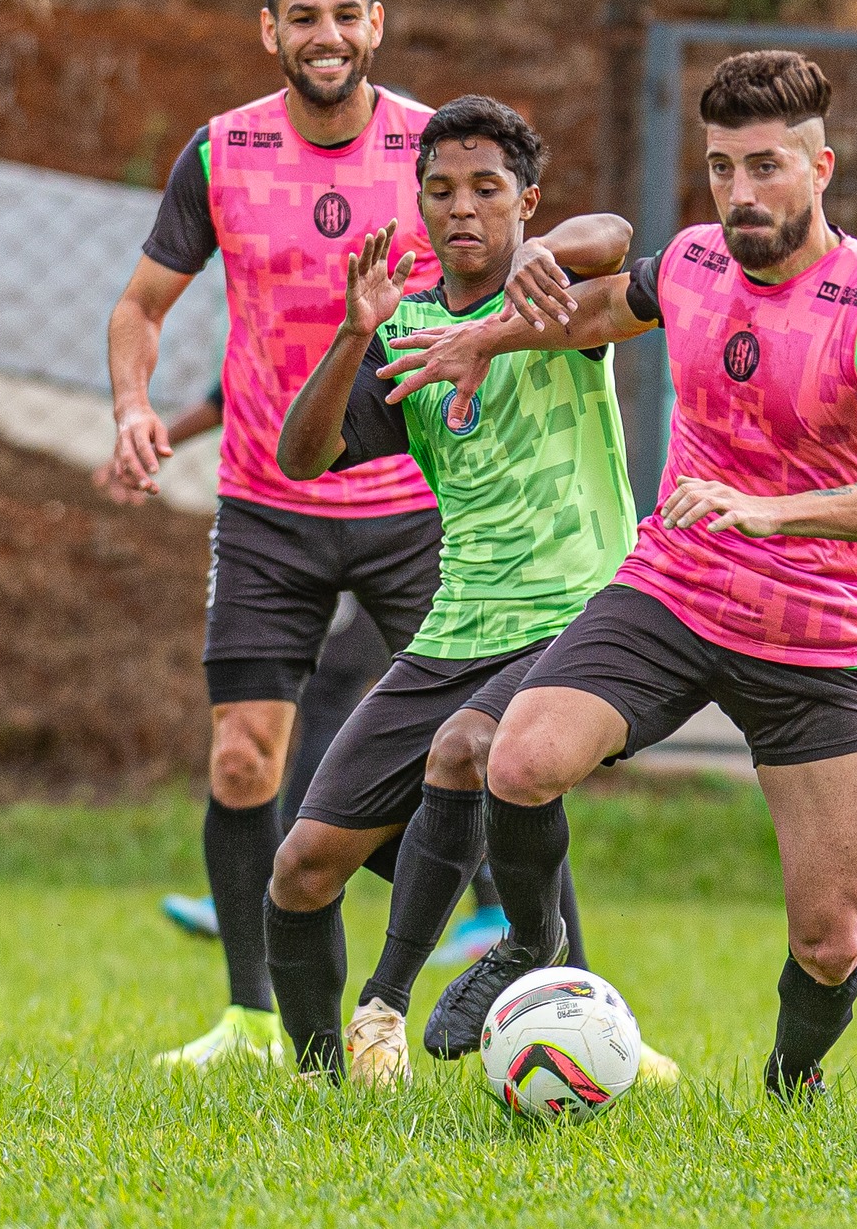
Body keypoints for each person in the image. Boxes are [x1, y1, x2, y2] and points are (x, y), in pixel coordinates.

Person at [391, 52, 857, 1099]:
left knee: (829, 937)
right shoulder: (695, 262)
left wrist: (771, 511)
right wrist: (484, 339)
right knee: (515, 758)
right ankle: (527, 942)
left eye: (767, 167)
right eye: (721, 170)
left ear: (819, 166)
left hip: (811, 631)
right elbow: (600, 309)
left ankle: (793, 1075)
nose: (742, 195)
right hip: (672, 590)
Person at [105, 0, 607, 1069]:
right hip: (268, 500)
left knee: (515, 747)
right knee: (245, 761)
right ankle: (252, 1021)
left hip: (422, 509)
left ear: (375, 25)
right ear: (269, 32)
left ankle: (573, 997)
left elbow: (550, 246)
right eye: (303, 17)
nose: (325, 35)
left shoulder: (435, 147)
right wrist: (135, 407)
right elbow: (139, 304)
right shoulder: (219, 149)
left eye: (346, 15)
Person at [263, 94, 672, 1087]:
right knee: (303, 865)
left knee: (474, 750)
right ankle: (326, 1085)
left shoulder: (556, 305)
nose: (462, 209)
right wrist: (354, 334)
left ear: (523, 201)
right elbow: (301, 453)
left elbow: (613, 236)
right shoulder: (403, 329)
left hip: (579, 619)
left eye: (487, 189)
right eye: (440, 190)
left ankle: (384, 1010)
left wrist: (553, 248)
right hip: (455, 630)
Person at [89, 385, 501, 948]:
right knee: (334, 697)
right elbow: (229, 391)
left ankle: (497, 904)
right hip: (293, 516)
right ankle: (275, 876)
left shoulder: (398, 309)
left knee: (463, 711)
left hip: (403, 515)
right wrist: (155, 440)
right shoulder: (274, 325)